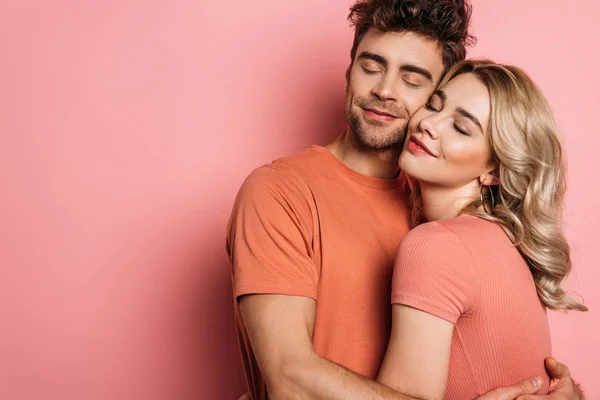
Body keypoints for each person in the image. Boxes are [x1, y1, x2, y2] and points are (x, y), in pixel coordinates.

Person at [226, 1, 584, 399]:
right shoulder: (281, 191)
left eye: (413, 81)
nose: (384, 89)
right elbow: (290, 381)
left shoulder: (442, 214)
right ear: (349, 70)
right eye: (371, 65)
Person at [375, 59, 588, 400]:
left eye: (460, 127)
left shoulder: (436, 246)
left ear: (495, 170)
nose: (428, 123)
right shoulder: (506, 243)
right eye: (434, 104)